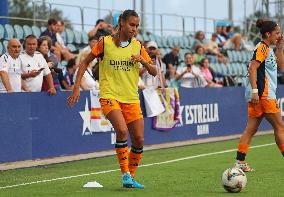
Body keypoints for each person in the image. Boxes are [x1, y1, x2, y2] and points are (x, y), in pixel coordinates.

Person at [67, 10, 157, 189]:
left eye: (137, 26)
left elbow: (154, 71)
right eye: (132, 24)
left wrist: (144, 62)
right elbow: (84, 63)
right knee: (122, 131)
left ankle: (130, 177)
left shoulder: (138, 45)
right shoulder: (105, 43)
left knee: (138, 140)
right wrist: (76, 87)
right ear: (122, 23)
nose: (134, 29)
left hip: (131, 98)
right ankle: (125, 174)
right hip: (109, 95)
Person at [234, 19, 284, 172]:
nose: (279, 35)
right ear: (267, 34)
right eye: (276, 33)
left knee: (251, 129)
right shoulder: (262, 48)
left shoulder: (268, 49)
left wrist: (280, 48)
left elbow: (281, 66)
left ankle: (240, 162)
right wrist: (255, 91)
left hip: (260, 95)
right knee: (280, 127)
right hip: (264, 94)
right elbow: (252, 68)